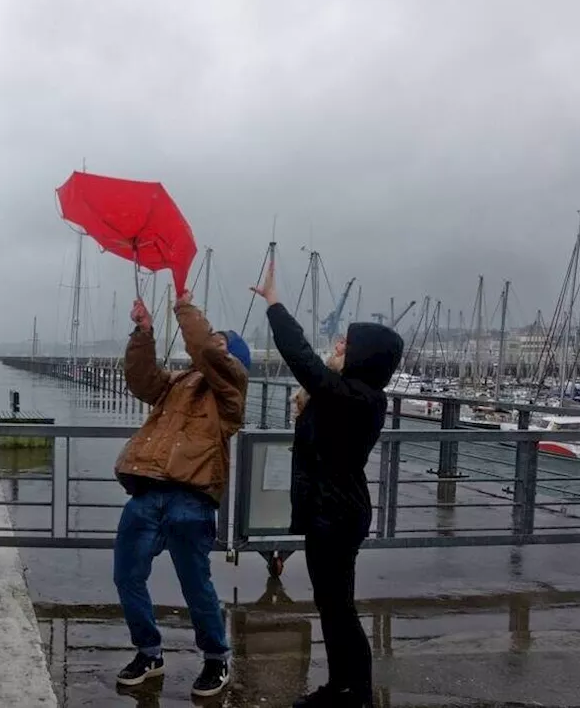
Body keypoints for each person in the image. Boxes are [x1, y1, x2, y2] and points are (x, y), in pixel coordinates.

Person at [251, 264, 403, 708]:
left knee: (339, 609)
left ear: (364, 357)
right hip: (334, 511)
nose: (338, 343)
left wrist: (275, 305)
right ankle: (345, 687)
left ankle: (353, 693)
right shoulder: (351, 393)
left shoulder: (357, 397)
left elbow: (303, 361)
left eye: (347, 342)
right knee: (334, 607)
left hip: (337, 515)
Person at [113, 290, 250, 698]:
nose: (212, 347)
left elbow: (206, 350)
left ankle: (215, 659)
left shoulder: (231, 390)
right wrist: (144, 331)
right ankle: (149, 652)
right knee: (126, 577)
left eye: (222, 345)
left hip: (191, 496)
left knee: (196, 585)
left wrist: (185, 307)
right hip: (147, 489)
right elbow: (141, 380)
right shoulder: (176, 383)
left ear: (234, 360)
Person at [260, 338, 345, 578]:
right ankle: (280, 555)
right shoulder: (332, 389)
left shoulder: (331, 390)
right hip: (321, 487)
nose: (339, 343)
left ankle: (277, 553)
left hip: (321, 487)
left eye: (345, 343)